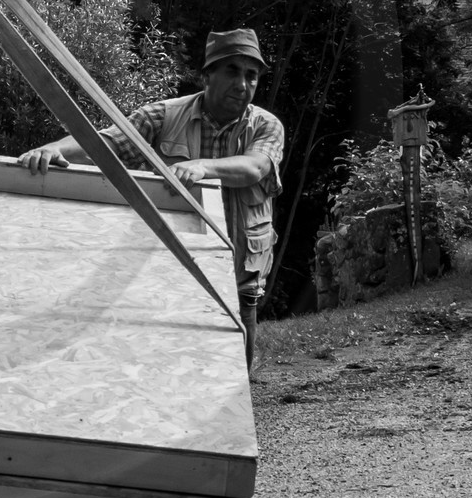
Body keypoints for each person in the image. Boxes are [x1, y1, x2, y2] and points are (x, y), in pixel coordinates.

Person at [17, 27, 283, 366]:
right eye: (232, 70)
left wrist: (202, 167)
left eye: (252, 76)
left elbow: (255, 167)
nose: (243, 85)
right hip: (176, 277)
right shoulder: (163, 116)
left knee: (234, 391)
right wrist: (52, 149)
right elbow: (106, 143)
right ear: (207, 75)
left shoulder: (266, 126)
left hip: (238, 280)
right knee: (168, 371)